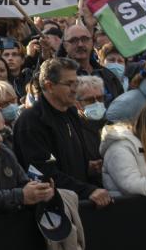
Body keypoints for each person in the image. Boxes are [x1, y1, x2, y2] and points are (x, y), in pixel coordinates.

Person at [12, 58, 112, 205]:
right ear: (49, 86)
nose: (75, 89)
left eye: (76, 83)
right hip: (54, 210)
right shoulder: (31, 122)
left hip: (78, 203)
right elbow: (44, 174)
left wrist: (86, 167)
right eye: (69, 84)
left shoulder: (71, 113)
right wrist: (87, 190)